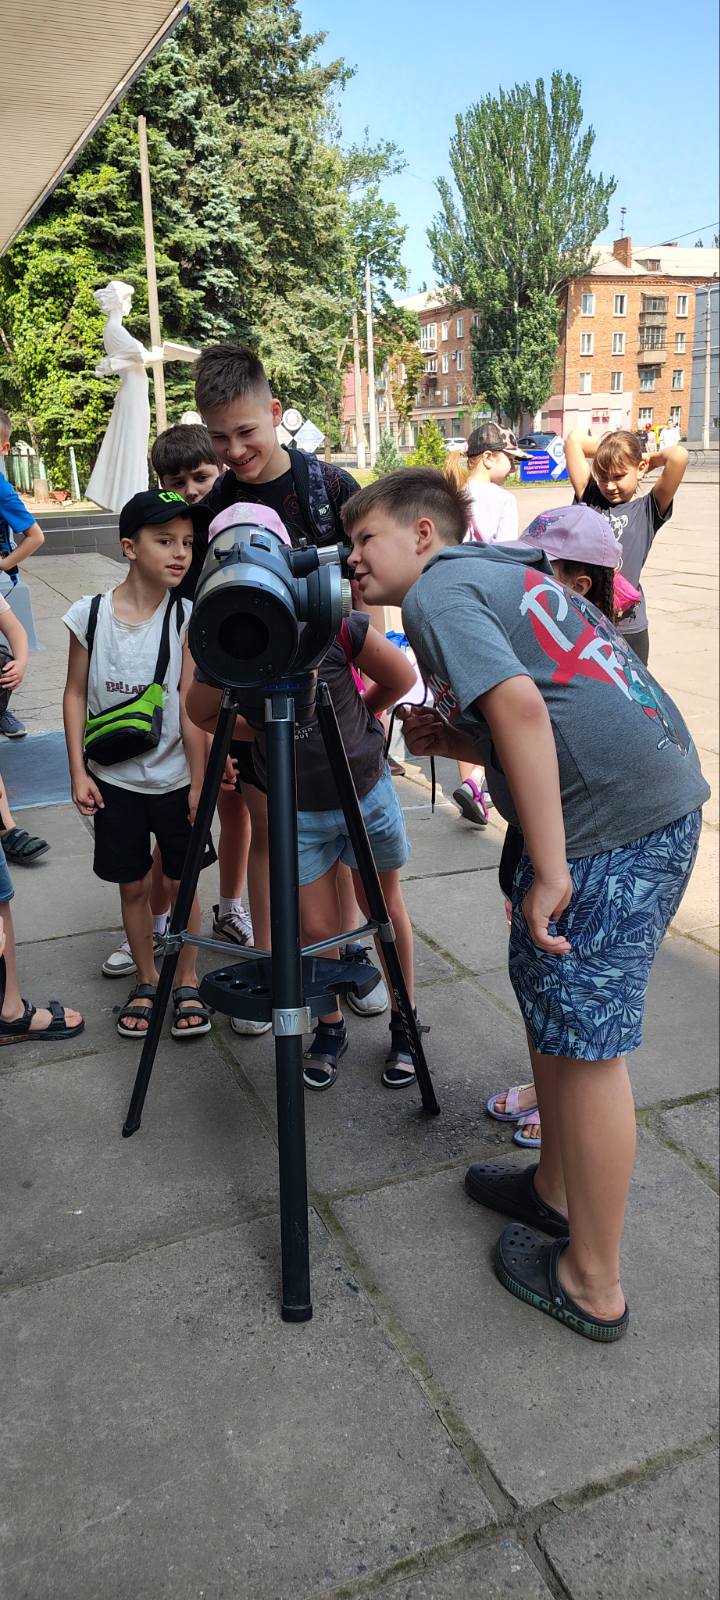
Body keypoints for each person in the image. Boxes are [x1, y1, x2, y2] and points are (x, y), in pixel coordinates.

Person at [343, 467, 708, 1342]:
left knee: (589, 1053)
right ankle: (553, 1190)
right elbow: (549, 703)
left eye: (364, 540)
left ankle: (593, 1281)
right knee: (557, 1016)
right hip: (643, 804)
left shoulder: (436, 593)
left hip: (613, 830)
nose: (349, 559)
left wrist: (549, 869)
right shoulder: (500, 573)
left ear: (423, 535)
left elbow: (524, 712)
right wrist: (461, 738)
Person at [184, 342, 389, 1023]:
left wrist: (370, 693)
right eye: (219, 438)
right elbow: (201, 624)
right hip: (252, 706)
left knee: (340, 843)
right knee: (275, 849)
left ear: (275, 413)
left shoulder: (329, 490)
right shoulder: (214, 509)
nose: (235, 451)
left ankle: (343, 958)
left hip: (330, 702)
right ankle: (278, 976)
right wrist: (211, 731)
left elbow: (369, 592)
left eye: (246, 432)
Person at [187, 503, 418, 1090]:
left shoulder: (330, 622)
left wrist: (360, 716)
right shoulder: (227, 636)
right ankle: (331, 1025)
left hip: (362, 788)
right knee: (315, 925)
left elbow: (399, 676)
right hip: (299, 808)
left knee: (383, 908)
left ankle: (405, 1020)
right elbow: (202, 711)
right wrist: (271, 729)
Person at [486, 504, 626, 1150]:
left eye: (536, 571)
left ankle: (568, 1113)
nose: (522, 584)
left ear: (578, 585)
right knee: (537, 981)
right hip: (532, 839)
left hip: (581, 848)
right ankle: (547, 1088)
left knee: (573, 993)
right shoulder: (538, 643)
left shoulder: (604, 655)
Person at [101, 422, 255, 980]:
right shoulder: (166, 540)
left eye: (201, 477)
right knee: (176, 813)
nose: (190, 489)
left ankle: (230, 904)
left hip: (232, 683)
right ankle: (157, 919)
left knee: (234, 805)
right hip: (181, 696)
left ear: (221, 473)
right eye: (176, 480)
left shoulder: (228, 529)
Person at [62, 489, 214, 1041]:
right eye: (165, 541)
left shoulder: (188, 618)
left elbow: (192, 709)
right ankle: (147, 978)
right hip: (114, 782)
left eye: (188, 543)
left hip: (174, 780)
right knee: (132, 887)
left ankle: (187, 977)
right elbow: (75, 693)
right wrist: (78, 771)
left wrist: (199, 784)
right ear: (129, 547)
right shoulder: (90, 615)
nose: (180, 553)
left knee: (181, 883)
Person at [444, 422, 531, 827]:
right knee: (494, 694)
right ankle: (490, 779)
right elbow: (505, 558)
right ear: (490, 458)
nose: (513, 468)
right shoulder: (503, 500)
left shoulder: (451, 495)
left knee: (463, 696)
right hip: (486, 604)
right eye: (511, 460)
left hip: (450, 601)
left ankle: (471, 782)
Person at [564, 427, 688, 666]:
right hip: (586, 618)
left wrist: (646, 459)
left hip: (629, 627)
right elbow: (574, 440)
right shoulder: (589, 496)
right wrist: (612, 453)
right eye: (603, 477)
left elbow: (678, 456)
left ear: (640, 469)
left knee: (634, 686)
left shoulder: (648, 510)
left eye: (619, 476)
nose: (610, 486)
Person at [0, 408, 46, 738]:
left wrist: (4, 564)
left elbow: (35, 536)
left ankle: (1, 710)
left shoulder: (1, 489)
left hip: (2, 582)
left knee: (6, 656)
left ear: (4, 448)